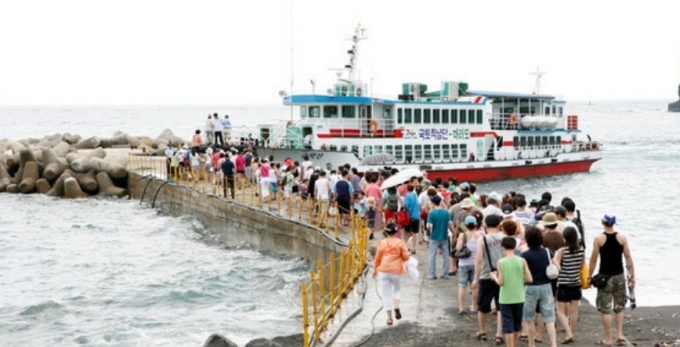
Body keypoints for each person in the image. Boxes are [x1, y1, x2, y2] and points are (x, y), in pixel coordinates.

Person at [588, 215, 635, 346]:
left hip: (605, 277)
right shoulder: (622, 238)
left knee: (606, 309)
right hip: (619, 276)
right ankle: (619, 334)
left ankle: (608, 339)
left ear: (603, 222)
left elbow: (593, 259)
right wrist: (632, 277)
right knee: (619, 307)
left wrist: (589, 277)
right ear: (614, 223)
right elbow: (628, 259)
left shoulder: (599, 239)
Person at [489, 237, 533, 347]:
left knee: (508, 324)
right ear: (515, 247)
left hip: (505, 298)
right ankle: (515, 344)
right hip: (519, 296)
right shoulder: (522, 261)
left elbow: (501, 282)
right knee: (517, 324)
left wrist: (494, 276)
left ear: (502, 248)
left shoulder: (501, 262)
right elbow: (529, 279)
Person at [521, 227, 558, 347]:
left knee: (529, 318)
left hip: (530, 287)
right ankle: (553, 344)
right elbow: (558, 267)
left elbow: (523, 273)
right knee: (549, 318)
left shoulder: (524, 255)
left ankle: (532, 344)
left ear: (527, 239)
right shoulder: (547, 252)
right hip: (546, 286)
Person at [472, 214, 505, 343]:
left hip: (486, 274)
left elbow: (479, 259)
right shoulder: (504, 238)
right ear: (499, 225)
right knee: (501, 306)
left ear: (485, 226)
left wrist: (475, 278)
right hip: (502, 275)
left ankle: (483, 332)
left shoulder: (482, 239)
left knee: (483, 305)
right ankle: (499, 334)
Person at [373, 222, 411, 326]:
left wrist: (375, 269)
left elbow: (377, 258)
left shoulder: (381, 243)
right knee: (397, 290)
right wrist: (408, 254)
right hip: (396, 270)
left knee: (386, 294)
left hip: (384, 270)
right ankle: (396, 305)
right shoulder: (400, 243)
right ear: (396, 232)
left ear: (385, 232)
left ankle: (389, 318)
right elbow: (406, 257)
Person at [553, 226, 584, 345]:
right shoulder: (581, 250)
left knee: (560, 311)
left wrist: (559, 266)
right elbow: (581, 267)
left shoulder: (562, 251)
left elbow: (557, 264)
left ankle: (568, 333)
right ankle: (571, 333)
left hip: (564, 283)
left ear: (564, 237)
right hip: (576, 283)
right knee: (574, 311)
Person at [456, 215, 481, 315]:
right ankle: (474, 307)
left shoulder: (463, 235)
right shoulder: (479, 236)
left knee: (462, 286)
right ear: (475, 224)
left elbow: (458, 248)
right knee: (474, 286)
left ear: (465, 225)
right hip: (475, 264)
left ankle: (461, 308)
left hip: (463, 263)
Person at [426, 195, 454, 280]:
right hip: (444, 236)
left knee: (432, 256)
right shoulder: (446, 212)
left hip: (434, 237)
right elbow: (450, 224)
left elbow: (429, 226)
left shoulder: (432, 213)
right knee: (446, 255)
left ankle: (432, 274)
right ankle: (445, 274)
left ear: (433, 202)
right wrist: (454, 234)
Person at [403, 184, 420, 254]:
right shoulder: (415, 195)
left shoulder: (407, 196)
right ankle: (414, 248)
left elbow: (407, 206)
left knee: (406, 231)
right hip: (416, 216)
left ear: (407, 189)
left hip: (409, 216)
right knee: (414, 233)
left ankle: (407, 246)